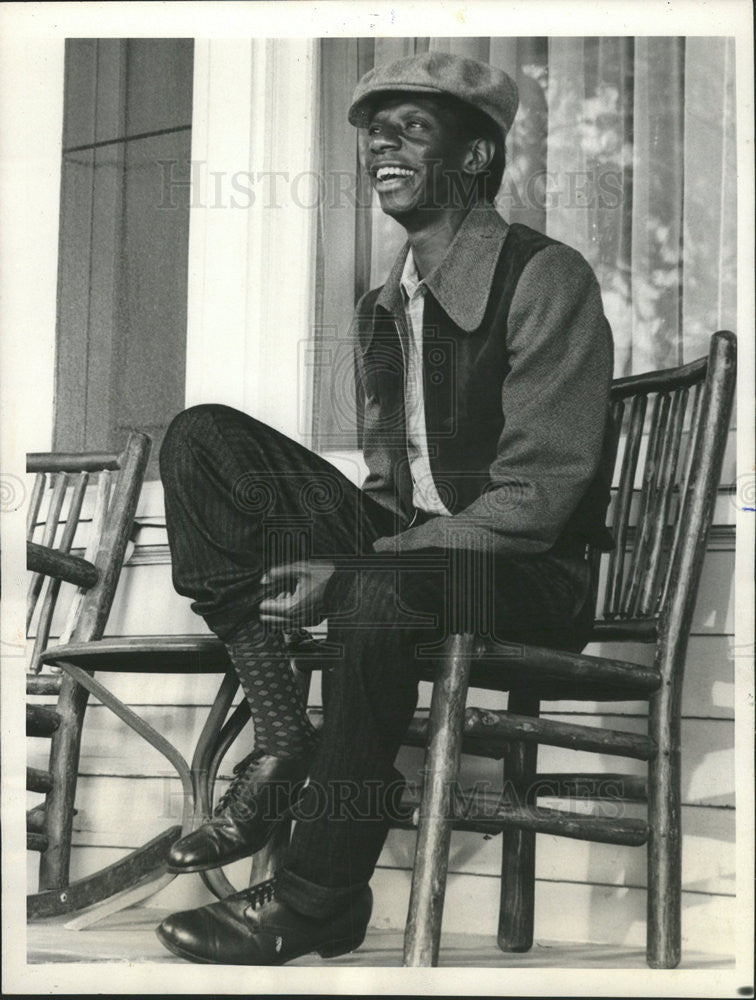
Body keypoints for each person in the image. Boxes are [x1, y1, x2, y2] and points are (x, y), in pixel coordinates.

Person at [155, 51, 614, 965]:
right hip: (424, 555)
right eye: (374, 129)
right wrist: (359, 547)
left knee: (379, 588)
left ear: (476, 158)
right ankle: (286, 738)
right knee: (202, 435)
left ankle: (318, 899)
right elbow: (386, 492)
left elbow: (536, 500)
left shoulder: (545, 278)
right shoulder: (383, 308)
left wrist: (358, 566)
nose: (380, 144)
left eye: (413, 126)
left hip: (530, 577)